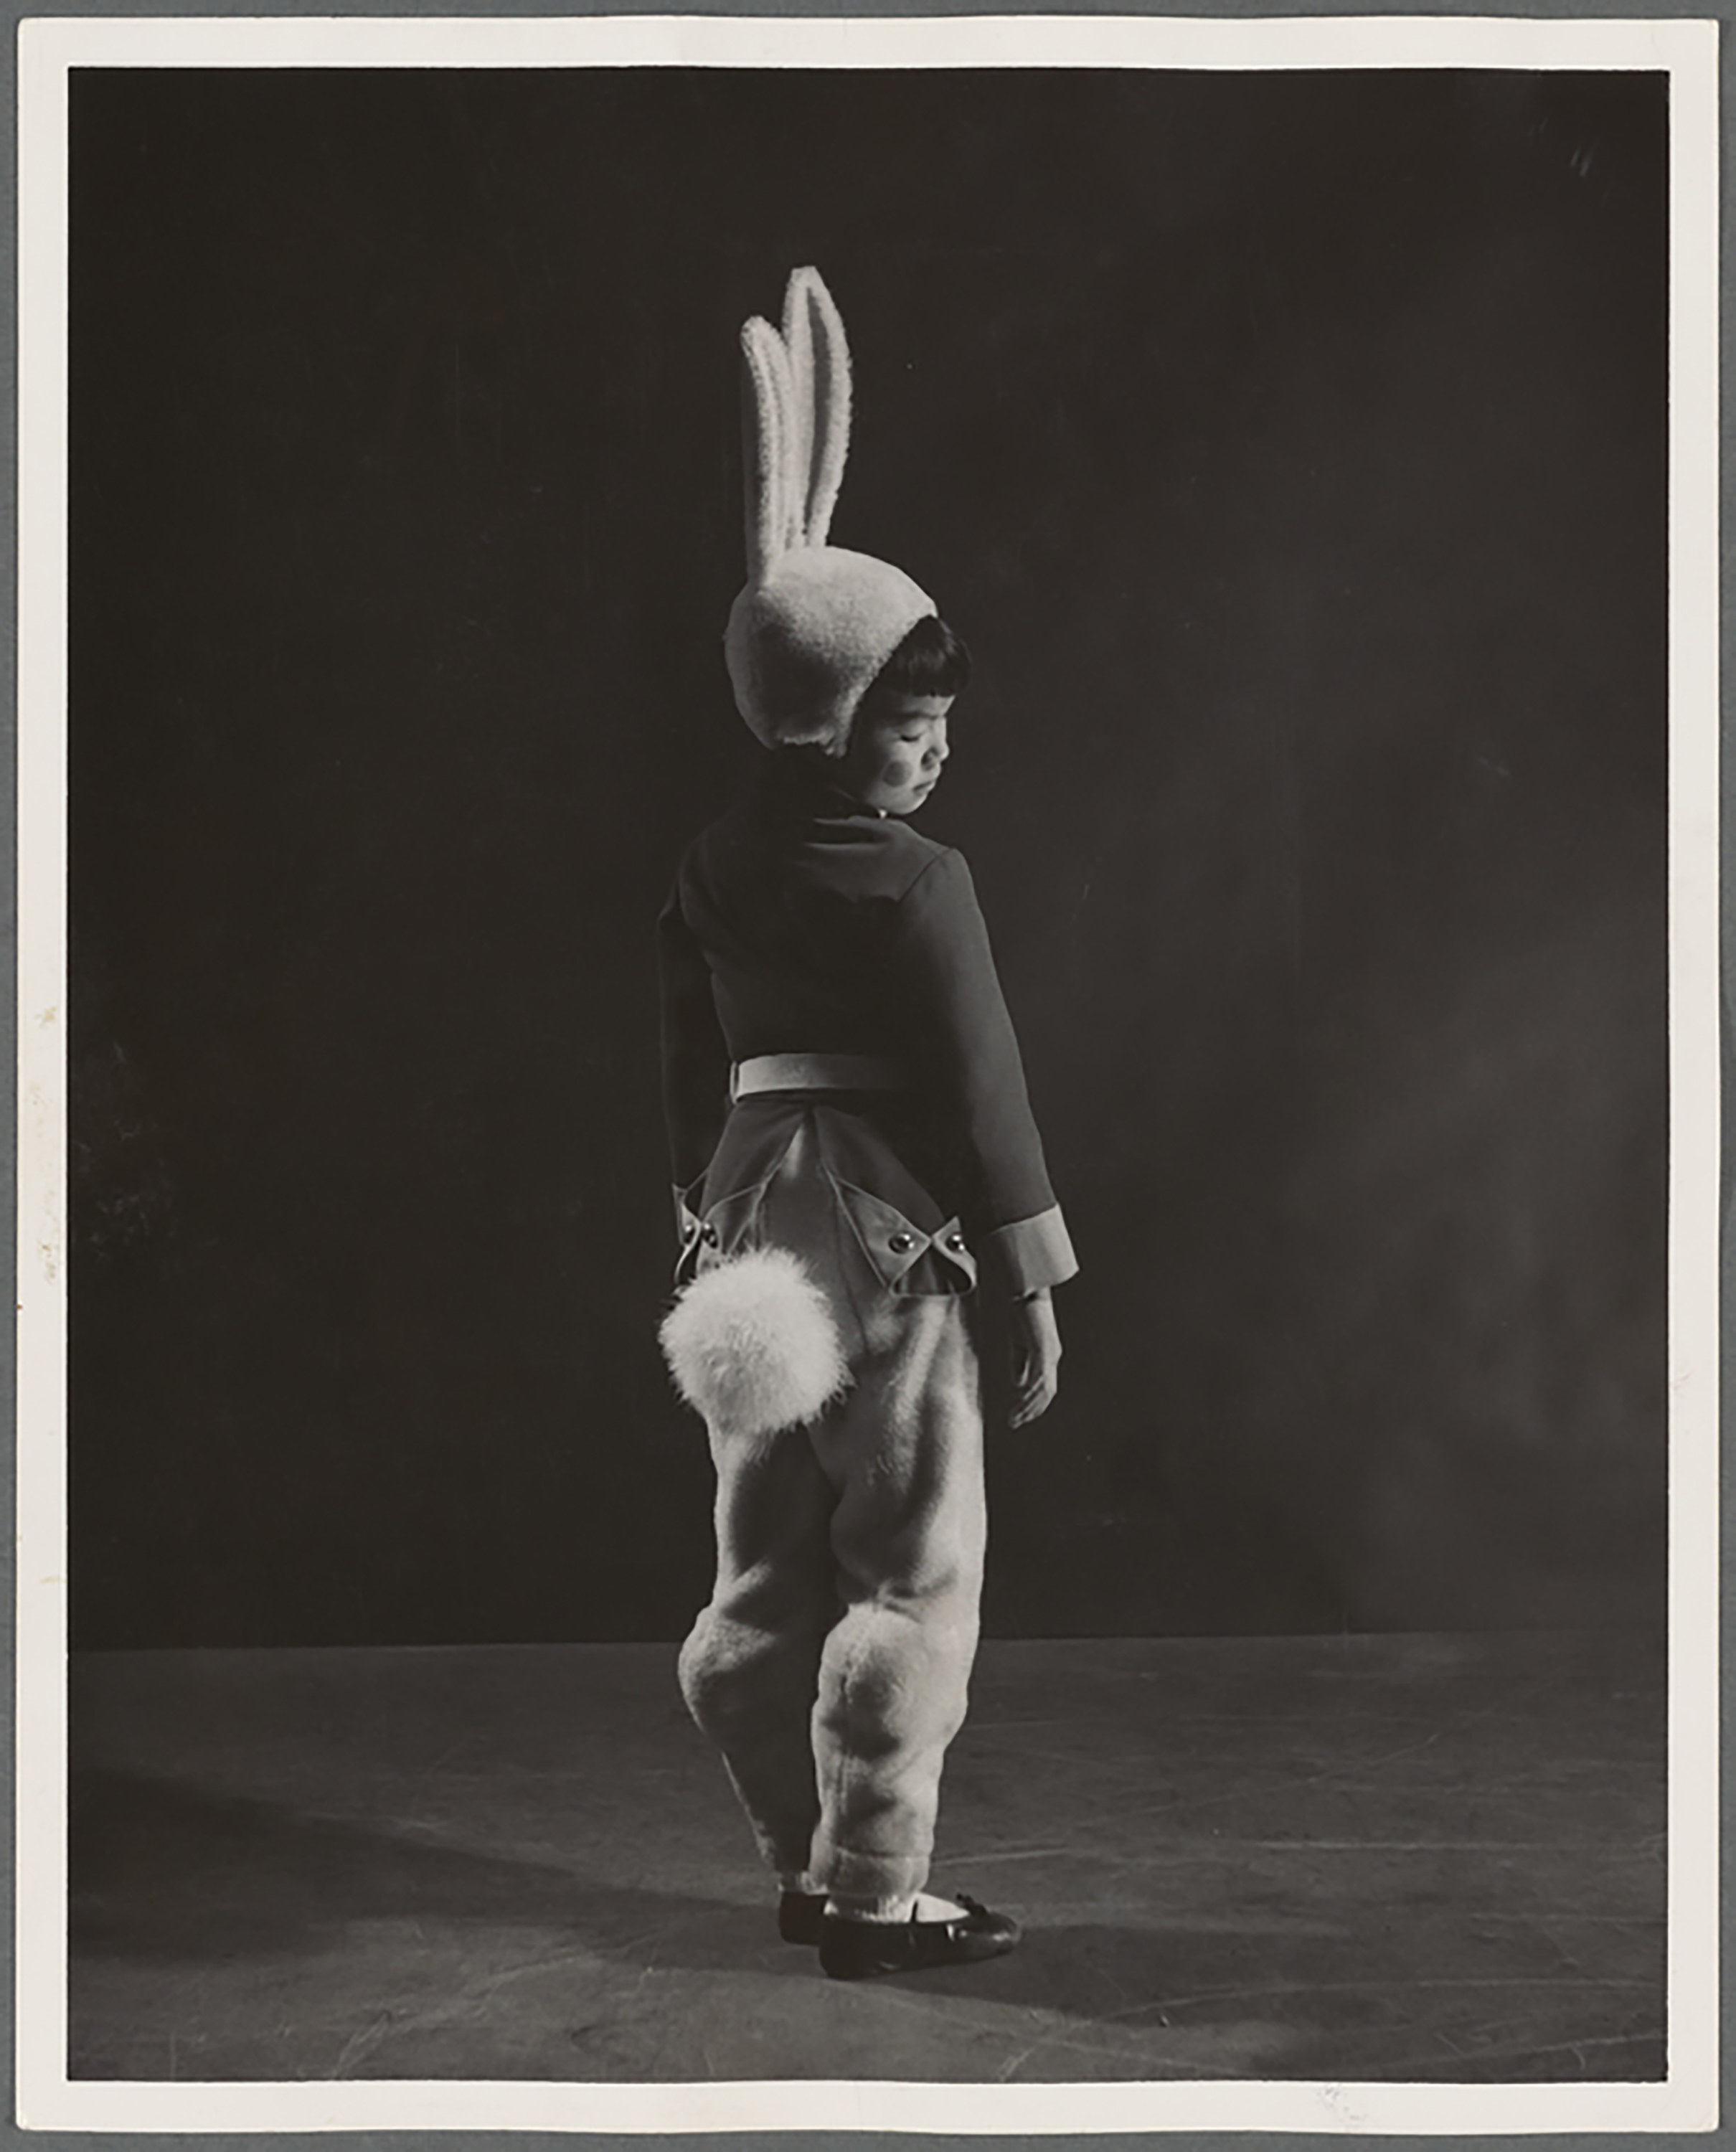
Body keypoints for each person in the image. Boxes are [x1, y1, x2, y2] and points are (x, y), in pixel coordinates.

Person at [657, 268, 1077, 1981]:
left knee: (759, 1574)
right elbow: (980, 1082)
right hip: (888, 1234)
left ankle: (796, 1854)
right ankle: (876, 1889)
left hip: (746, 1235)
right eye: (918, 725)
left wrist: (696, 1217)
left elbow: (690, 1067)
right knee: (911, 1575)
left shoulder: (704, 865)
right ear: (842, 725)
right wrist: (1036, 1273)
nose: (939, 751)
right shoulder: (922, 885)